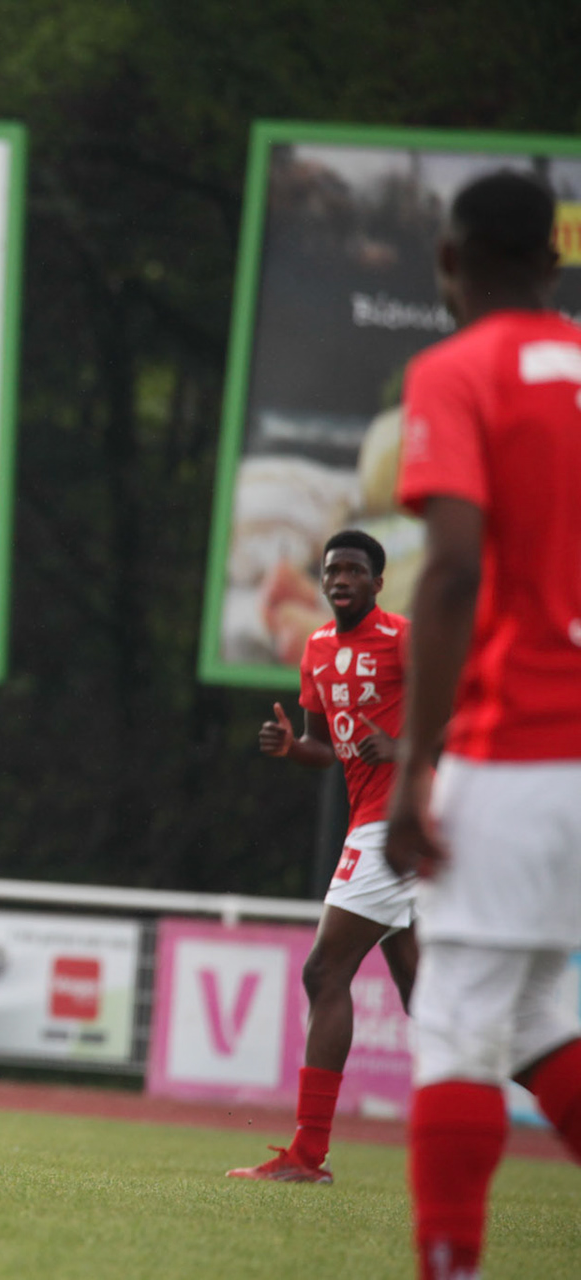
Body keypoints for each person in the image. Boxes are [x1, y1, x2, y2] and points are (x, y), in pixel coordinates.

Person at [384, 170, 581, 1280]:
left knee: (458, 1022)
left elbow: (453, 568)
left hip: (520, 747)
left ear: (450, 263)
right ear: (556, 259)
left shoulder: (458, 370)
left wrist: (417, 767)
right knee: (542, 1009)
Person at [228, 529, 418, 1184]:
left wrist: (401, 747)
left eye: (354, 570)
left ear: (378, 583)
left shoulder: (403, 638)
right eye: (333, 570)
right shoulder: (315, 647)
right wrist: (292, 748)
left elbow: (465, 713)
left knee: (323, 972)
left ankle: (308, 1155)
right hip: (377, 823)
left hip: (397, 822)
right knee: (429, 999)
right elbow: (326, 747)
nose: (340, 579)